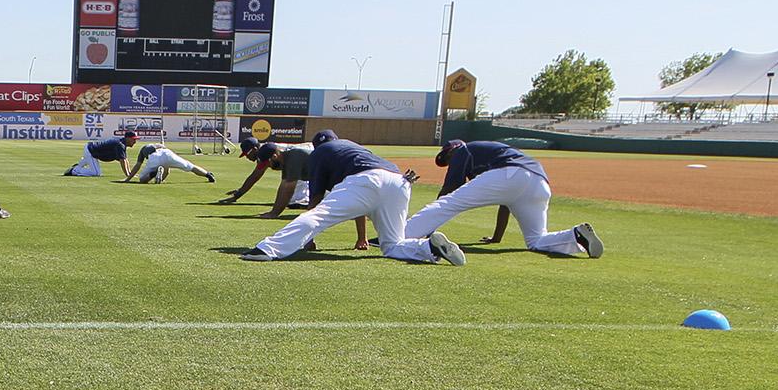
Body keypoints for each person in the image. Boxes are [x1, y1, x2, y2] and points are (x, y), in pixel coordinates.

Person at [241, 129, 464, 265]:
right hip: (399, 181)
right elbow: (360, 203)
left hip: (366, 180)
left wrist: (309, 238)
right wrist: (361, 237)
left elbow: (315, 202)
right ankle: (429, 248)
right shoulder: (352, 146)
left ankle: (268, 249)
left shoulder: (319, 153)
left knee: (319, 215)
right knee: (392, 245)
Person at [401, 140, 603, 258]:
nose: (449, 163)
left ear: (452, 150)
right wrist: (497, 238)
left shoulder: (463, 150)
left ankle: (402, 234)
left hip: (510, 173)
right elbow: (507, 202)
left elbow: (448, 191)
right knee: (536, 240)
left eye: (447, 159)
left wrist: (427, 229)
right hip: (539, 181)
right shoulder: (492, 152)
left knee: (450, 202)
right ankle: (576, 235)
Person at [221, 141, 366, 251]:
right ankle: (310, 242)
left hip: (337, 174)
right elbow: (283, 186)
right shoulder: (285, 159)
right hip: (321, 179)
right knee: (314, 208)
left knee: (355, 203)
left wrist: (274, 213)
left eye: (270, 163)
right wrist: (273, 211)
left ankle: (362, 239)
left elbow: (289, 188)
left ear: (275, 156)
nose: (270, 167)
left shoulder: (293, 157)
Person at [123, 139, 216, 185]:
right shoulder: (160, 146)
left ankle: (153, 173)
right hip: (168, 154)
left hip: (154, 158)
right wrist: (160, 180)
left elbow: (138, 166)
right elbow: (167, 171)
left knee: (142, 179)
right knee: (190, 166)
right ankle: (208, 175)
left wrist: (128, 179)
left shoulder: (143, 149)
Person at [65, 129, 135, 178]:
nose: (135, 141)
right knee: (96, 173)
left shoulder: (122, 143)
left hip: (93, 150)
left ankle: (81, 163)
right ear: (127, 138)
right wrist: (127, 175)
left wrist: (130, 173)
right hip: (91, 151)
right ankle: (74, 170)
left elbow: (125, 159)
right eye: (133, 139)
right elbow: (122, 161)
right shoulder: (120, 145)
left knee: (93, 165)